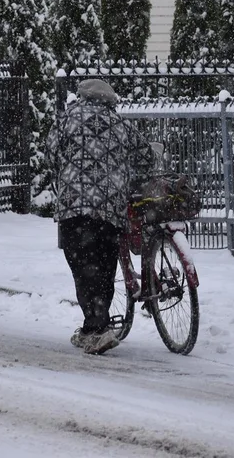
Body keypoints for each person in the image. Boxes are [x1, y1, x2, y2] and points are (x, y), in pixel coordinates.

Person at [47, 78, 153, 355]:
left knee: (83, 266)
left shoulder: (67, 118)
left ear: (82, 96)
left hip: (74, 205)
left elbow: (51, 153)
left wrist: (68, 170)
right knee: (105, 265)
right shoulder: (121, 124)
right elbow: (145, 158)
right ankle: (93, 326)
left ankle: (98, 327)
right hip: (110, 206)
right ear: (110, 100)